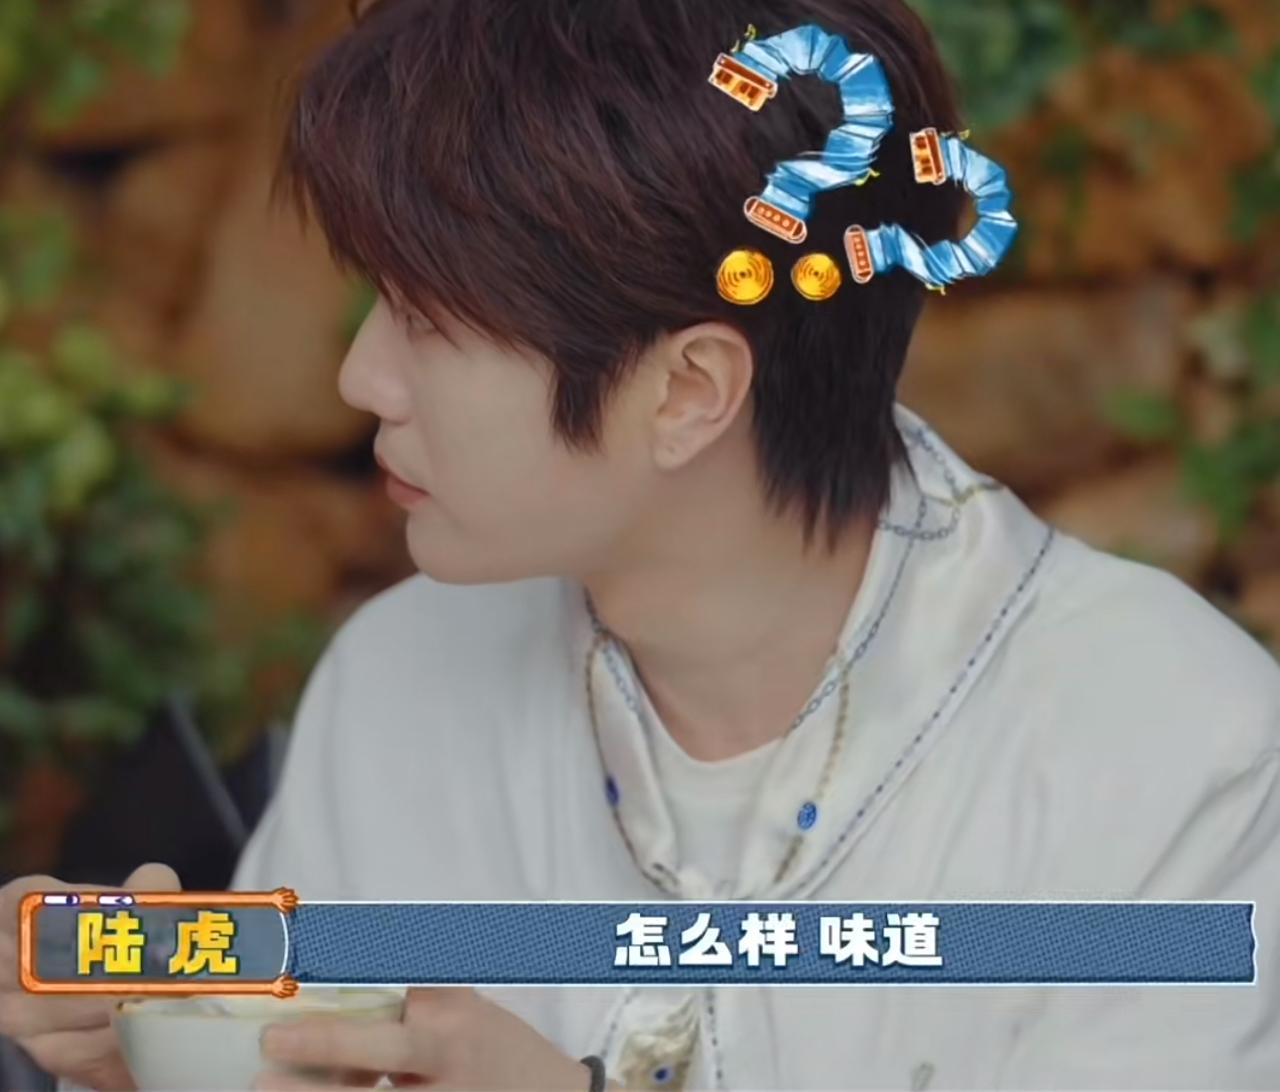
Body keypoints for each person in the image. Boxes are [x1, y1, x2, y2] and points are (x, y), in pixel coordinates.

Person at [3, 0, 1279, 1088]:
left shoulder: (1166, 752)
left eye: (425, 319)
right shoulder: (401, 678)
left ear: (686, 392)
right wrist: (157, 1045)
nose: (359, 379)